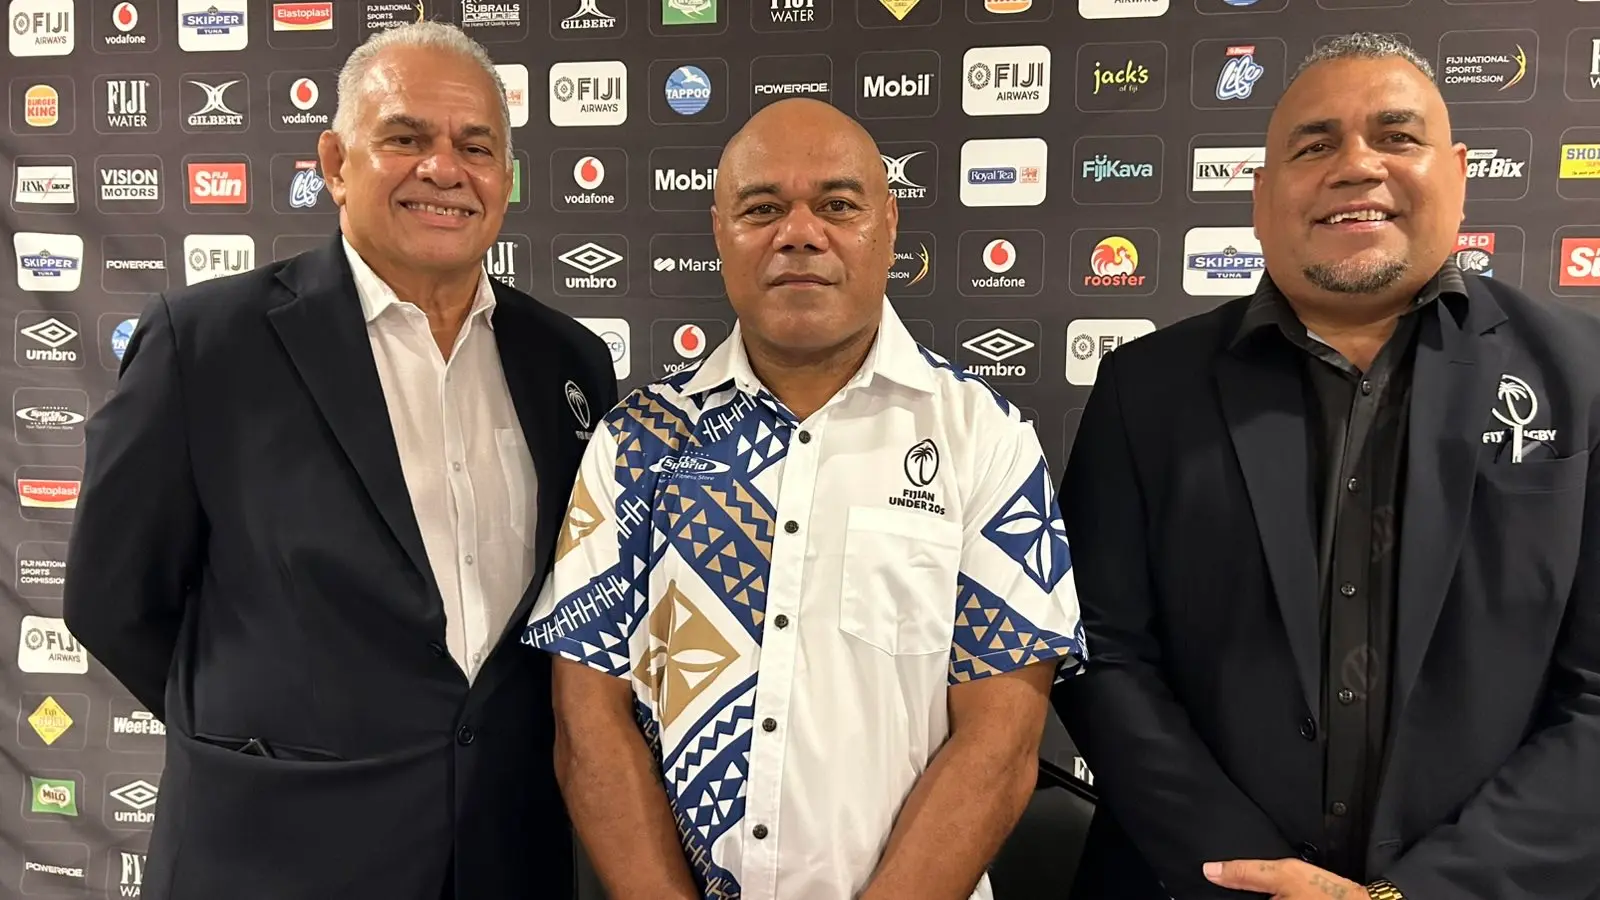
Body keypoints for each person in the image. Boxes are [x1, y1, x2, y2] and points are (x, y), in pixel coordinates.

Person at [62, 22, 616, 900]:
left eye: (476, 147)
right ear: (335, 162)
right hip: (274, 857)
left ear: (506, 178)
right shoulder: (204, 344)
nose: (444, 169)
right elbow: (111, 598)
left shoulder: (569, 361)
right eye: (405, 138)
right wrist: (265, 732)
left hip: (507, 854)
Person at [1056, 31, 1600, 900]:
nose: (1356, 166)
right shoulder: (1143, 389)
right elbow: (1101, 654)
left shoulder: (1583, 377)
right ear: (1261, 195)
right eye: (1314, 146)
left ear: (1459, 173)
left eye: (1396, 137)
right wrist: (1249, 879)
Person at [519, 97, 1086, 900]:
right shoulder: (635, 442)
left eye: (838, 205)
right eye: (761, 209)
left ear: (889, 225)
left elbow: (1000, 745)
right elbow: (589, 724)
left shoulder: (983, 438)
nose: (799, 233)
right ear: (720, 233)